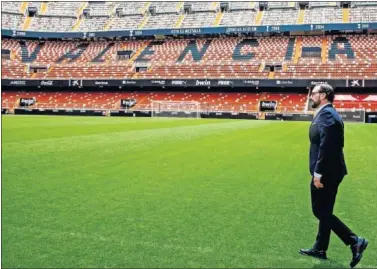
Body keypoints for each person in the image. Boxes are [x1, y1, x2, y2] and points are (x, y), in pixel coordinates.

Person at [299, 84, 368, 268]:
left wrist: (318, 173)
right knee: (325, 210)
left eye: (313, 93)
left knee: (319, 211)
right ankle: (320, 248)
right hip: (330, 170)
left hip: (327, 172)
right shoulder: (325, 113)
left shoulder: (328, 115)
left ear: (323, 95)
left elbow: (328, 147)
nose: (310, 96)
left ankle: (354, 241)